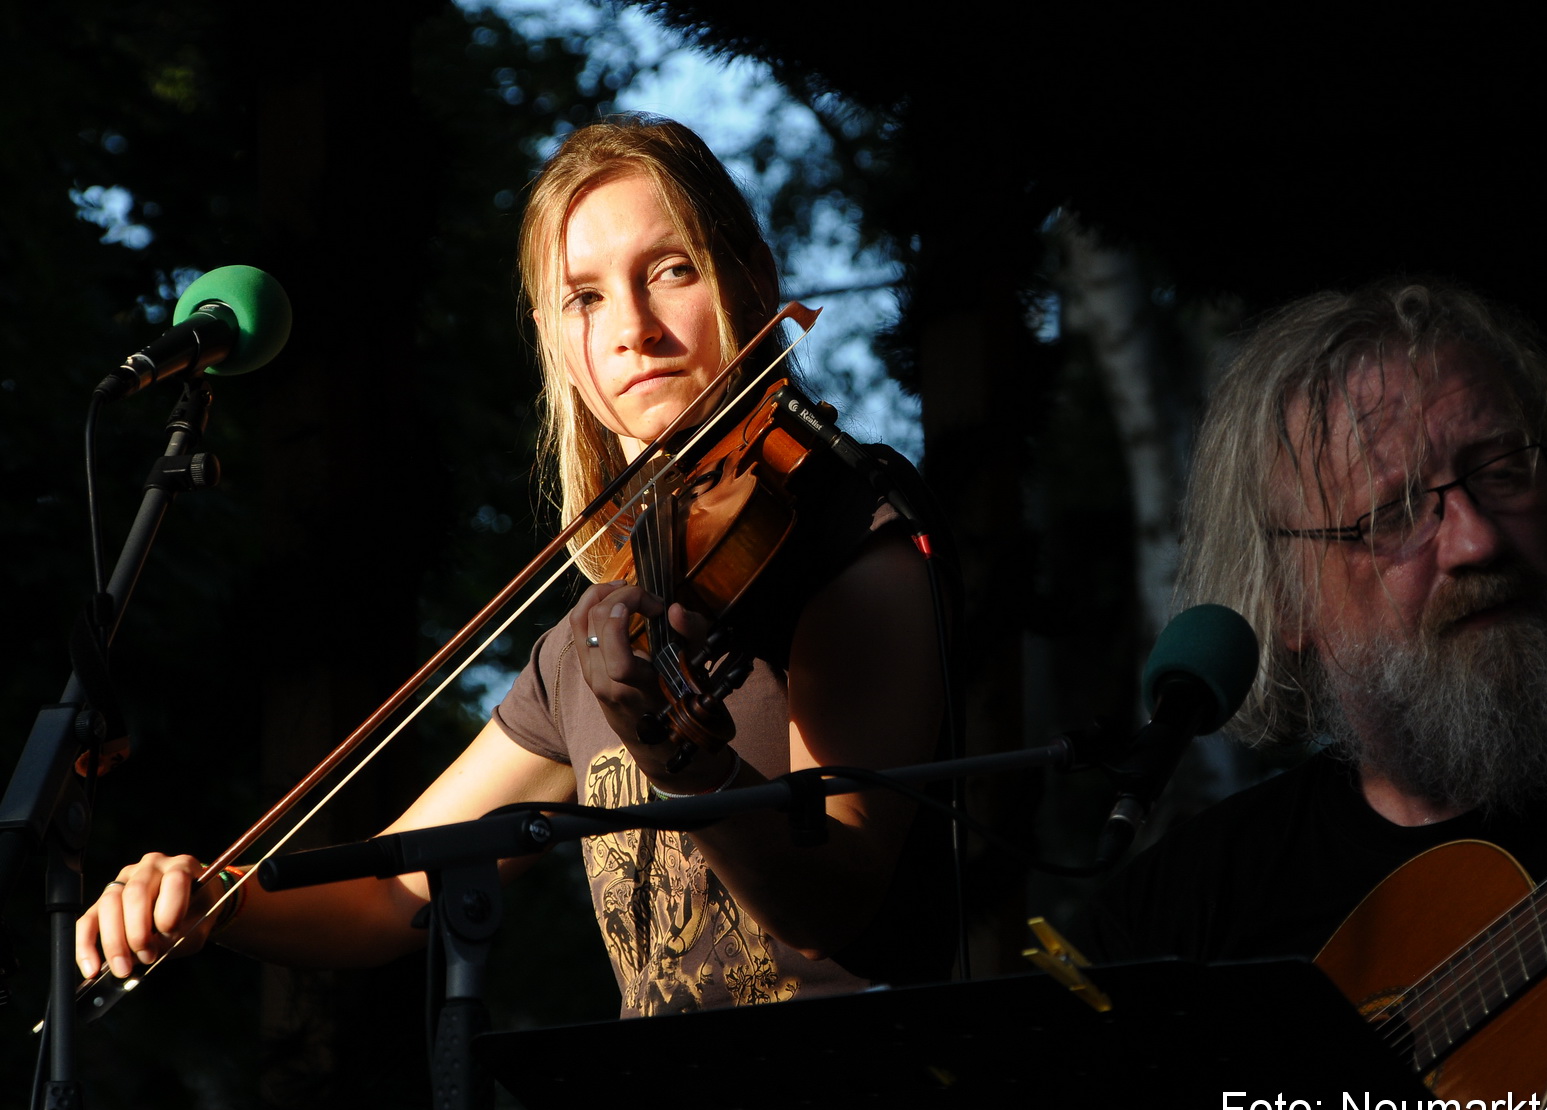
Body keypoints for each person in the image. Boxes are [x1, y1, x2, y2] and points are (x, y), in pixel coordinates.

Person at [76, 114, 952, 1018]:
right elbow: (388, 895)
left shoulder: (845, 528)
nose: (634, 329)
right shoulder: (596, 633)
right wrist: (213, 898)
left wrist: (683, 759)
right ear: (554, 339)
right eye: (585, 297)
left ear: (752, 279)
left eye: (670, 270)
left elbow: (831, 903)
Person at [1099, 278, 1547, 1110]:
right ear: (1284, 601)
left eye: (1502, 469)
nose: (1476, 539)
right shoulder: (1185, 914)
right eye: (1392, 514)